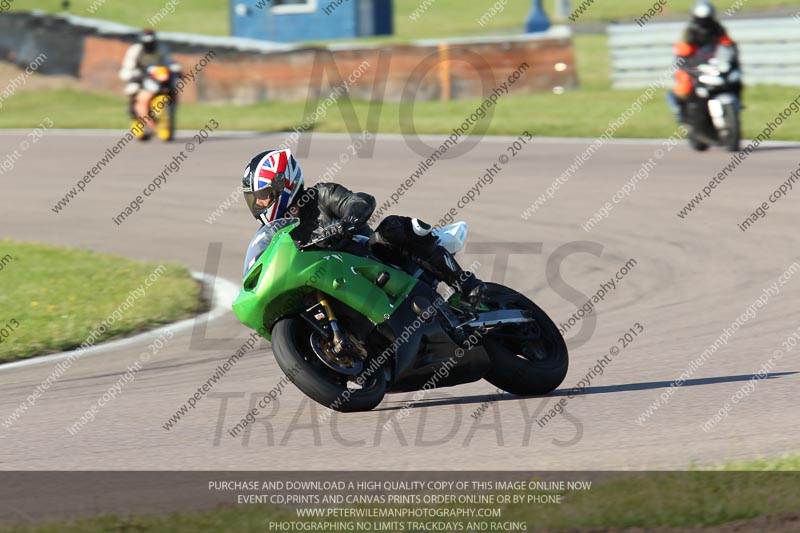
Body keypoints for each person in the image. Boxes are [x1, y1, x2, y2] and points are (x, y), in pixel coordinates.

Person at [241, 148, 486, 307]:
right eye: (255, 200)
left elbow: (359, 200)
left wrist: (347, 222)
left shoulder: (319, 195)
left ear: (284, 183)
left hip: (373, 259)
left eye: (262, 196)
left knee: (390, 229)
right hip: (337, 286)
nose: (259, 204)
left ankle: (467, 284)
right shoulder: (276, 235)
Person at [671, 0, 740, 122]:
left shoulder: (718, 29)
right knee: (684, 84)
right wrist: (689, 65)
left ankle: (736, 105)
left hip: (713, 64)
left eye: (707, 19)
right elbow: (682, 52)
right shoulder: (689, 32)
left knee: (735, 80)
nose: (704, 23)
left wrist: (731, 60)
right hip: (694, 65)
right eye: (701, 19)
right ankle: (682, 112)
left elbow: (728, 45)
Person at [118, 29, 172, 131]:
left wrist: (173, 70)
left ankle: (168, 114)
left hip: (157, 78)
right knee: (132, 89)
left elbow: (168, 63)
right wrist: (130, 74)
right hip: (141, 77)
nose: (149, 45)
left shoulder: (161, 49)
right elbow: (128, 65)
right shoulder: (136, 50)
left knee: (172, 87)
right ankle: (133, 112)